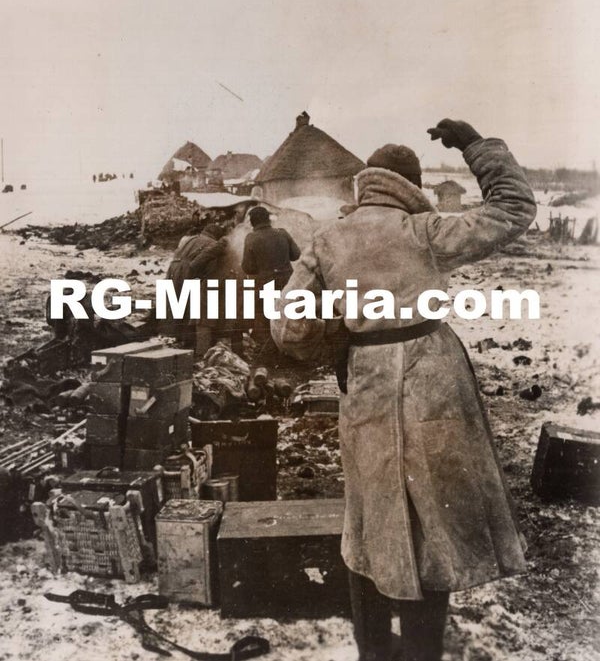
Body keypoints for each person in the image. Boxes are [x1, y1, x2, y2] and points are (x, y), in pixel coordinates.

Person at [272, 119, 537, 661]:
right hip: (433, 381)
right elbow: (514, 207)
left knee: (370, 516)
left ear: (367, 182)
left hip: (366, 381)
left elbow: (289, 328)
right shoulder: (426, 232)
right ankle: (422, 652)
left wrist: (343, 346)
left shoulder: (328, 239)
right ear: (411, 186)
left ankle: (373, 650)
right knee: (433, 514)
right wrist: (473, 143)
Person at [242, 206, 300, 371]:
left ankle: (269, 360)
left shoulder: (251, 238)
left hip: (265, 283)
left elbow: (247, 267)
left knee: (265, 320)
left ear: (253, 222)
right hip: (288, 282)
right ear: (268, 219)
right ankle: (290, 356)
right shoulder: (282, 233)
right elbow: (296, 255)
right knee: (288, 318)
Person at [164, 222, 227, 355]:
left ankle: (180, 340)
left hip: (173, 269)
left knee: (175, 304)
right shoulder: (212, 244)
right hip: (187, 271)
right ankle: (189, 344)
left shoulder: (190, 238)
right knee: (190, 305)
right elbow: (201, 265)